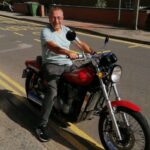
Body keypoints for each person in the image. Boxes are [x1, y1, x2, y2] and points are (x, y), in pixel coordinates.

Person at [36, 6, 94, 142]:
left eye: (59, 17)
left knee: (83, 80)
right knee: (52, 92)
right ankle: (41, 125)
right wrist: (68, 52)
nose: (56, 20)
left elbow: (80, 44)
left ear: (63, 18)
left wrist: (93, 53)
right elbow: (53, 47)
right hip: (51, 64)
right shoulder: (45, 31)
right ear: (49, 18)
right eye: (54, 17)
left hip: (68, 64)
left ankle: (69, 107)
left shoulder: (67, 30)